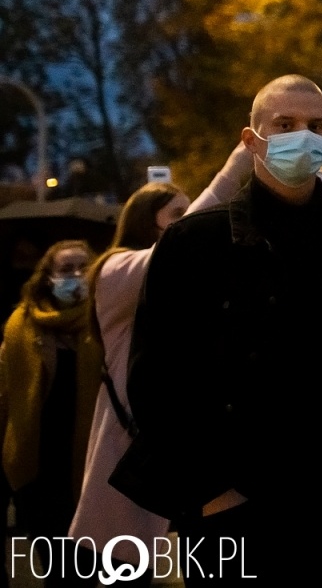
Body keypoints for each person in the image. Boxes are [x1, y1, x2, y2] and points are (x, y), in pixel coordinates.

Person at [111, 75, 322, 587]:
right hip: (230, 512)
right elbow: (156, 379)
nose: (302, 137)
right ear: (251, 139)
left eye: (316, 126)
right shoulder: (195, 242)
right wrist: (211, 489)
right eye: (284, 125)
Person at [69, 182, 190, 580]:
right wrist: (241, 162)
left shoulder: (177, 281)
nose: (187, 224)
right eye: (177, 215)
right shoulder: (117, 269)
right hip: (128, 453)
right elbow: (170, 251)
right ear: (145, 220)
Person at [0, 240, 100, 564]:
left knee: (89, 566)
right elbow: (6, 397)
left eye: (83, 267)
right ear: (48, 277)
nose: (76, 274)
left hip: (92, 465)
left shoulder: (104, 321)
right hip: (41, 470)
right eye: (66, 269)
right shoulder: (22, 327)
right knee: (57, 568)